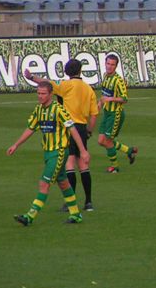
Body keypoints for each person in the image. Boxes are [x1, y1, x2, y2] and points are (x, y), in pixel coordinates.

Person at [6, 81, 90, 226]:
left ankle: (29, 216)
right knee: (63, 182)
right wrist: (16, 144)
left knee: (44, 184)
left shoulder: (58, 110)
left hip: (59, 152)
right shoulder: (39, 110)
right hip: (48, 153)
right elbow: (30, 128)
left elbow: (72, 129)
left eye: (43, 93)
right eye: (38, 93)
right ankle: (76, 214)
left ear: (51, 94)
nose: (40, 96)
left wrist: (83, 151)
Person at [24, 59, 99, 211]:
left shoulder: (66, 85)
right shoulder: (88, 88)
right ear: (80, 70)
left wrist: (32, 78)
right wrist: (89, 131)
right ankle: (89, 202)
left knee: (69, 164)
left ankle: (70, 202)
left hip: (68, 127)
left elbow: (48, 84)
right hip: (83, 127)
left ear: (66, 72)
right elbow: (94, 114)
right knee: (83, 165)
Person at [98, 54, 138, 173]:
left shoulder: (118, 81)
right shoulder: (105, 76)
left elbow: (125, 99)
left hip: (115, 114)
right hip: (107, 112)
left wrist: (110, 99)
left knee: (107, 141)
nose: (109, 66)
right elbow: (104, 94)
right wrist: (100, 103)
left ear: (116, 66)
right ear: (105, 63)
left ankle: (114, 167)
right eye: (108, 64)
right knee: (101, 141)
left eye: (112, 65)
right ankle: (129, 150)